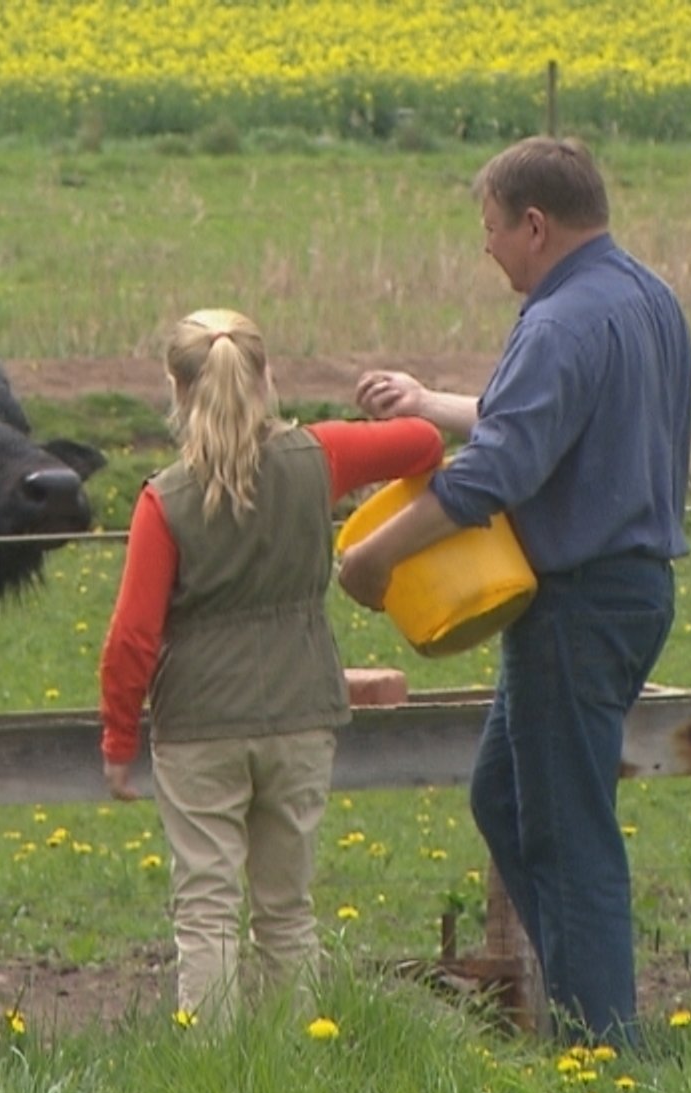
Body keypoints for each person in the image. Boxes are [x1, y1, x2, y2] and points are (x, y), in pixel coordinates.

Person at [338, 136, 691, 1047]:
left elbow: (493, 472)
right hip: (631, 593)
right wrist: (428, 402)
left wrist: (373, 557)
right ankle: (594, 1007)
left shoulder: (559, 320)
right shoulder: (645, 299)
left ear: (535, 225)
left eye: (492, 229)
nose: (488, 247)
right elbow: (538, 422)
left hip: (574, 606)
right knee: (505, 799)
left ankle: (605, 1053)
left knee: (571, 839)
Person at [99, 308, 443, 1027]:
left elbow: (133, 634)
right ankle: (294, 1062)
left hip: (198, 725)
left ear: (176, 386)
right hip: (302, 714)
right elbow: (424, 443)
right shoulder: (321, 457)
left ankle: (214, 1070)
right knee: (286, 912)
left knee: (207, 911)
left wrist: (118, 743)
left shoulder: (165, 499)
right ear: (266, 378)